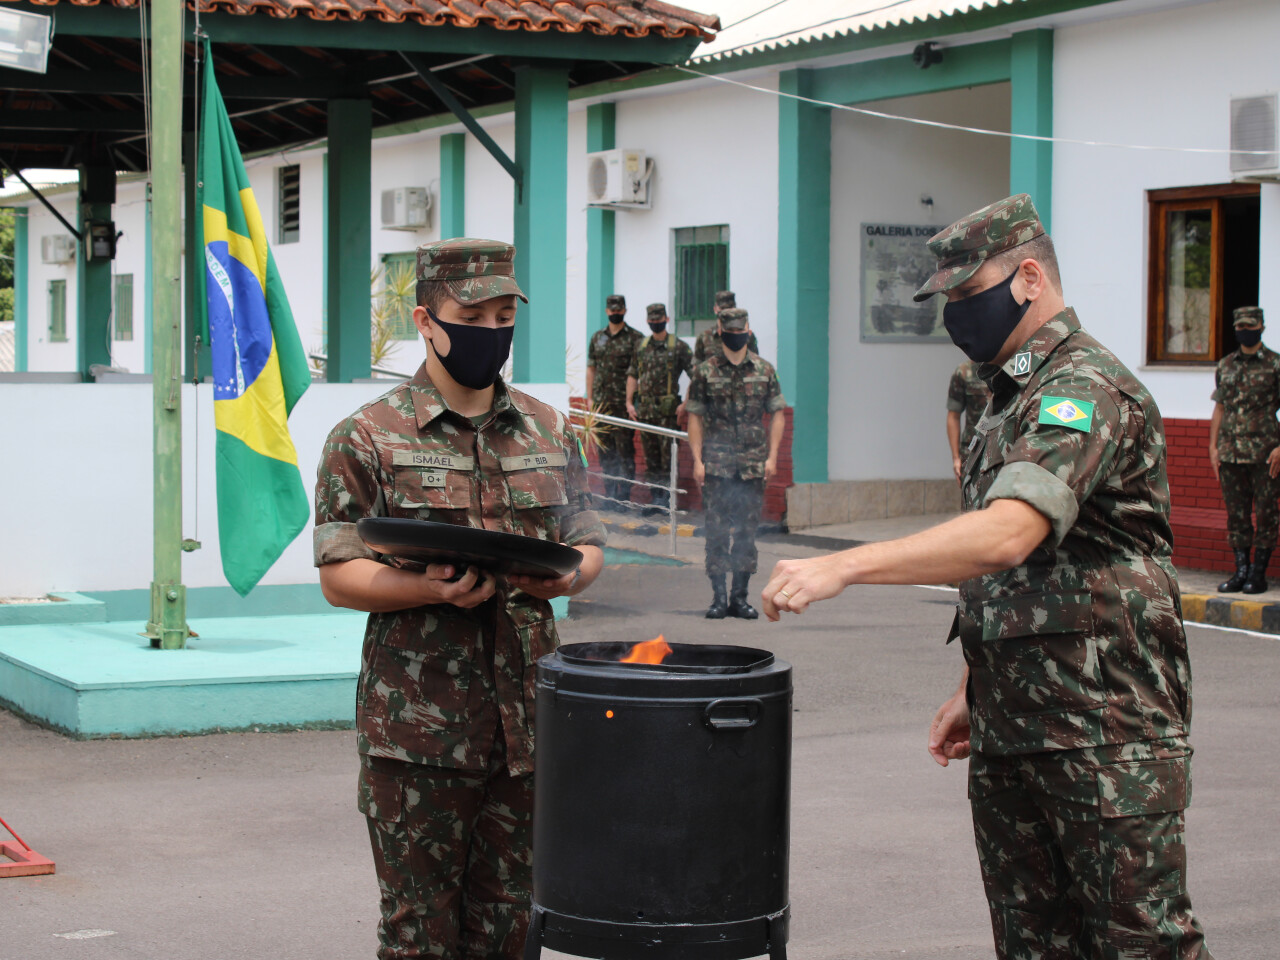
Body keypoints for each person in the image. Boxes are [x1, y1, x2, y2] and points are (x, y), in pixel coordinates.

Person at [761, 195, 1211, 959]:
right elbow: (1027, 576)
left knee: (1143, 945)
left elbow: (1008, 535)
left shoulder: (1084, 388)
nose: (956, 316)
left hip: (1105, 730)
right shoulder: (1006, 398)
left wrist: (846, 563)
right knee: (1034, 943)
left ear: (1030, 277)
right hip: (1018, 723)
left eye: (969, 294)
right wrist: (976, 686)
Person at [313, 238, 607, 960]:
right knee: (420, 934)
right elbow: (339, 575)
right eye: (472, 312)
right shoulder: (367, 436)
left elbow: (587, 542)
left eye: (504, 313)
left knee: (514, 929)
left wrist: (568, 577)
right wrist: (424, 586)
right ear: (426, 320)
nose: (492, 329)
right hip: (418, 735)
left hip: (531, 730)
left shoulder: (547, 427)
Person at [687, 307, 786, 620]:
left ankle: (740, 598)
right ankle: (718, 598)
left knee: (746, 533)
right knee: (716, 533)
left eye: (739, 329)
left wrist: (772, 457)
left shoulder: (765, 370)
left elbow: (778, 414)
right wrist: (697, 460)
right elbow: (695, 417)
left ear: (747, 329)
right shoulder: (704, 371)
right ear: (720, 329)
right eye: (729, 329)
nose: (734, 334)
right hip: (716, 466)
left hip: (752, 466)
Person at [1208, 305, 1280, 594]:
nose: (1245, 333)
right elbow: (1220, 407)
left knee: (1265, 514)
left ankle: (1258, 574)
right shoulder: (1226, 365)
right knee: (1236, 515)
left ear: (1261, 328)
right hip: (1230, 453)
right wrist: (1213, 447)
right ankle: (1241, 572)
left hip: (1266, 454)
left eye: (1250, 328)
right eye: (1241, 328)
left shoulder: (1275, 365)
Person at [626, 302, 694, 514]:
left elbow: (696, 375)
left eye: (659, 320)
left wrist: (686, 403)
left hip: (667, 413)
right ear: (648, 321)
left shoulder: (678, 346)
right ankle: (656, 498)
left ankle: (667, 500)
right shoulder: (641, 346)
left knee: (668, 460)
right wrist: (629, 402)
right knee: (651, 459)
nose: (656, 323)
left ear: (667, 320)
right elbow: (632, 375)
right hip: (645, 412)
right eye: (653, 321)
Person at [586, 294, 644, 508]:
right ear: (607, 312)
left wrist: (631, 401)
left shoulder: (636, 338)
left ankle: (624, 496)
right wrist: (590, 397)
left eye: (619, 310)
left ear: (625, 311)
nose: (615, 313)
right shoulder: (597, 337)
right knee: (606, 452)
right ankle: (610, 494)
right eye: (612, 310)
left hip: (622, 406)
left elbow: (638, 372)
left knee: (625, 452)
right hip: (601, 406)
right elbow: (591, 368)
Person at [945, 359, 991, 482]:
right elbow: (953, 416)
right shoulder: (964, 372)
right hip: (972, 452)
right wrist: (956, 458)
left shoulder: (1008, 367)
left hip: (1001, 449)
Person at [694, 290, 759, 363]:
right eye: (723, 309)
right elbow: (697, 367)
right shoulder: (704, 337)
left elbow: (755, 364)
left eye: (729, 309)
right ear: (715, 309)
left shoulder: (747, 336)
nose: (726, 313)